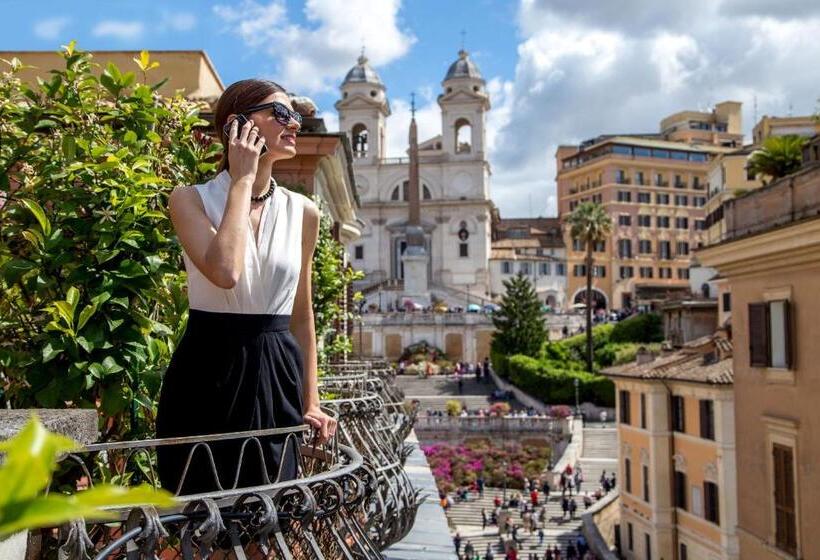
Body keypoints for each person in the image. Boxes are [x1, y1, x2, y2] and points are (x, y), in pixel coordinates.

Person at [156, 79, 336, 494]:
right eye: (282, 113)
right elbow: (225, 271)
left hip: (277, 374)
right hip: (206, 371)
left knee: (267, 520)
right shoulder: (189, 199)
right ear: (239, 125)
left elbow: (300, 314)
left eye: (296, 115)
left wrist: (312, 401)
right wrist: (241, 180)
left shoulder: (303, 212)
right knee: (201, 520)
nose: (295, 124)